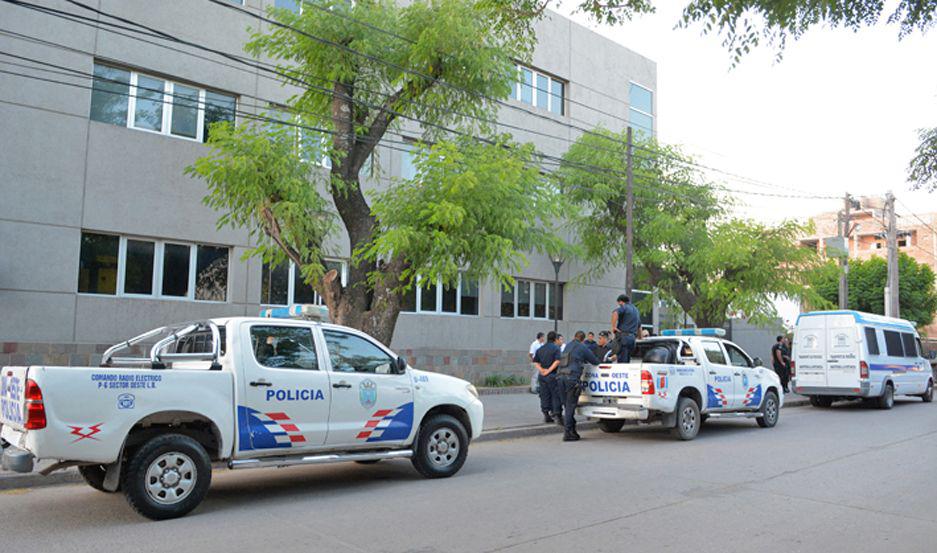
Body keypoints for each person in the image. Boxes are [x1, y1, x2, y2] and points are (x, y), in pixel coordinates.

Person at [556, 330, 600, 441]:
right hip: (571, 379)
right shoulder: (582, 347)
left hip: (560, 378)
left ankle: (572, 431)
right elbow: (595, 361)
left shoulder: (567, 346)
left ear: (574, 337)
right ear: (582, 339)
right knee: (570, 407)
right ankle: (567, 433)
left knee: (567, 406)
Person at [533, 331, 563, 424]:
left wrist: (542, 370)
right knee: (555, 395)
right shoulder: (556, 348)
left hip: (542, 376)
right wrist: (549, 370)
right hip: (552, 375)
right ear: (555, 339)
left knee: (544, 395)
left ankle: (546, 414)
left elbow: (535, 362)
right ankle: (556, 414)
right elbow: (557, 361)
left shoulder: (541, 349)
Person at [611, 294, 640, 363]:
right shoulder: (636, 310)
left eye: (619, 304)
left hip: (624, 337)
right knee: (627, 361)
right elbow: (639, 325)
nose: (619, 305)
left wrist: (613, 327)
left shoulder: (624, 307)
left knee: (622, 361)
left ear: (621, 302)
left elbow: (615, 313)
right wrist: (640, 336)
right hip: (632, 339)